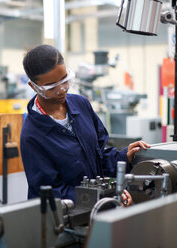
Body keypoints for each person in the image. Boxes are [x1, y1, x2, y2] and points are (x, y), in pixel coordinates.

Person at [20, 44, 150, 203]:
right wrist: (100, 196)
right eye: (52, 87)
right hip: (63, 220)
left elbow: (98, 157)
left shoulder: (81, 105)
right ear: (34, 87)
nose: (62, 90)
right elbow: (51, 192)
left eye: (65, 80)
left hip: (96, 207)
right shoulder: (32, 135)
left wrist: (123, 157)